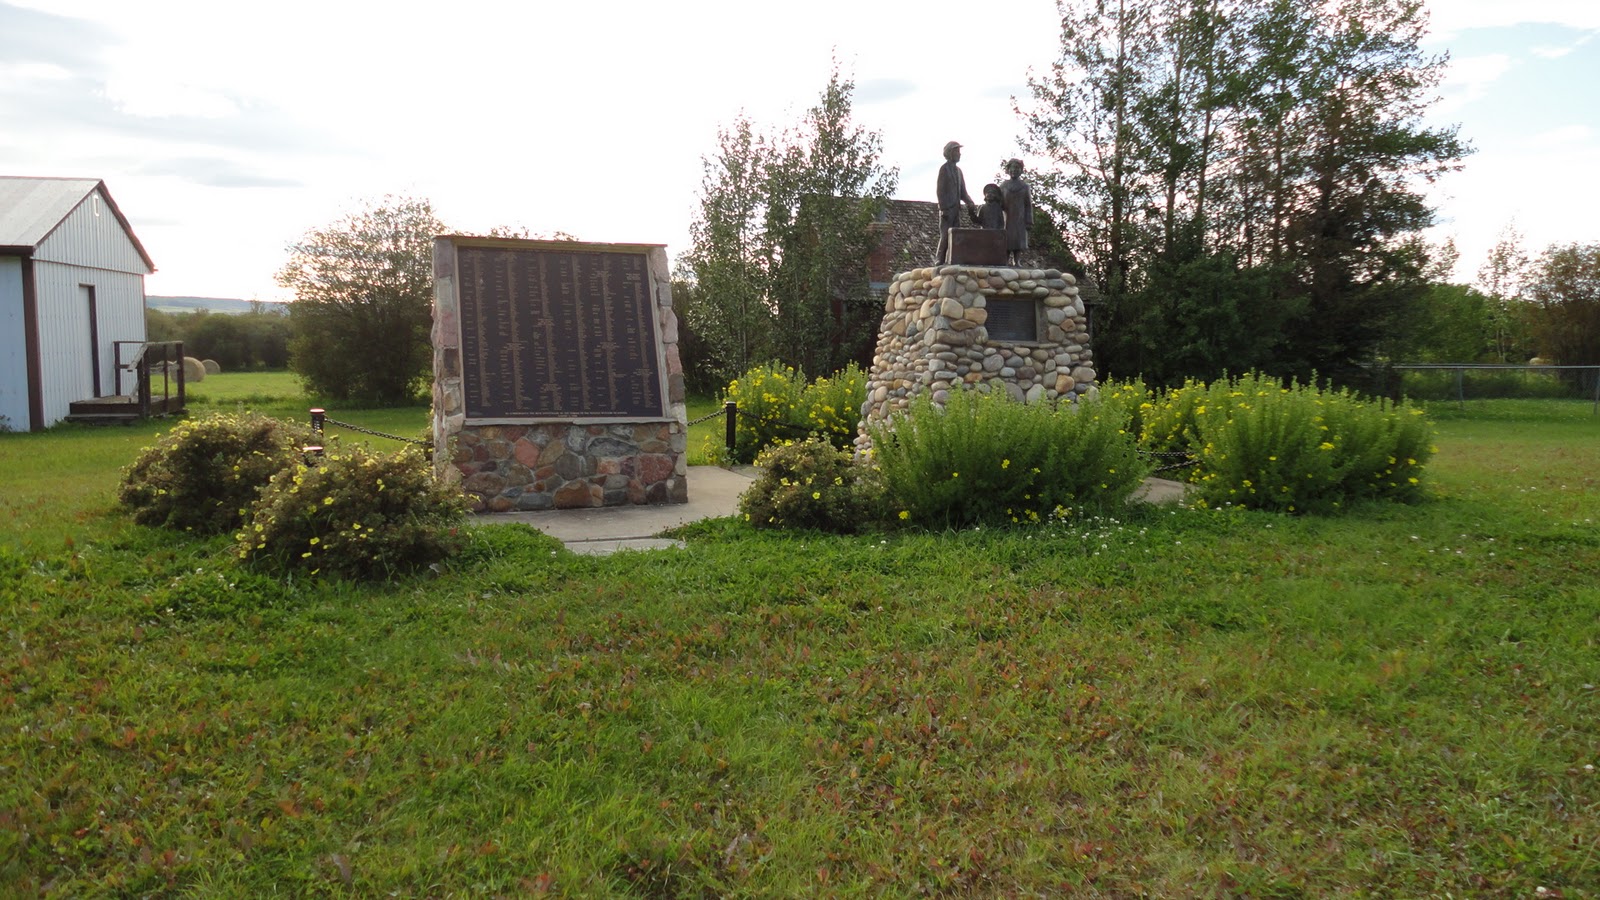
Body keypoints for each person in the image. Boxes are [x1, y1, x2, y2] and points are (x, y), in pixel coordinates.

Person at [935, 141, 978, 264]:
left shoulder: (959, 171)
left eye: (959, 152)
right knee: (945, 235)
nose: (959, 154)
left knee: (955, 235)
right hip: (947, 209)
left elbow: (963, 191)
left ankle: (952, 259)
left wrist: (970, 202)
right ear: (950, 153)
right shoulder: (944, 169)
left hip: (956, 209)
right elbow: (940, 190)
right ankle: (939, 259)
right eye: (957, 152)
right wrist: (943, 209)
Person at [1000, 157, 1033, 265]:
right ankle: (1005, 259)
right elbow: (998, 201)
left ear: (1021, 170)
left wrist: (1029, 220)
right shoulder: (1004, 186)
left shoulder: (1024, 186)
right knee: (1007, 237)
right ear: (1008, 170)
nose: (1014, 170)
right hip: (1007, 216)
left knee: (1019, 238)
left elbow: (1028, 205)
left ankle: (1016, 260)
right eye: (1012, 168)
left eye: (1017, 168)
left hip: (1020, 216)